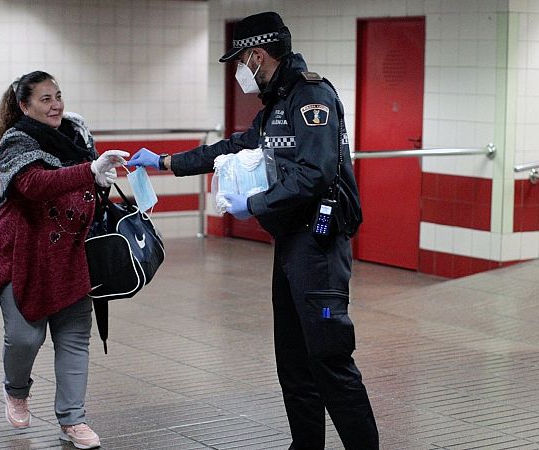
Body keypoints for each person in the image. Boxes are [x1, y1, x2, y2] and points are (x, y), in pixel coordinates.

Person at [127, 12, 379, 449]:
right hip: (291, 247)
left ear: (258, 55)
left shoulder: (310, 97)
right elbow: (232, 148)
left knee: (329, 356)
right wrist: (166, 162)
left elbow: (316, 173)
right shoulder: (276, 107)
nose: (241, 71)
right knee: (295, 362)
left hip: (319, 250)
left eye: (241, 60)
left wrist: (254, 204)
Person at [0, 70, 127, 449]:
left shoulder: (78, 135)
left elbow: (89, 190)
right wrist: (88, 171)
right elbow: (33, 186)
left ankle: (72, 420)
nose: (56, 104)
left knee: (75, 338)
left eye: (58, 95)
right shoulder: (15, 142)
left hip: (70, 252)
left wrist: (99, 181)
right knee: (24, 336)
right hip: (22, 254)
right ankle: (16, 389)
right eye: (45, 98)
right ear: (25, 105)